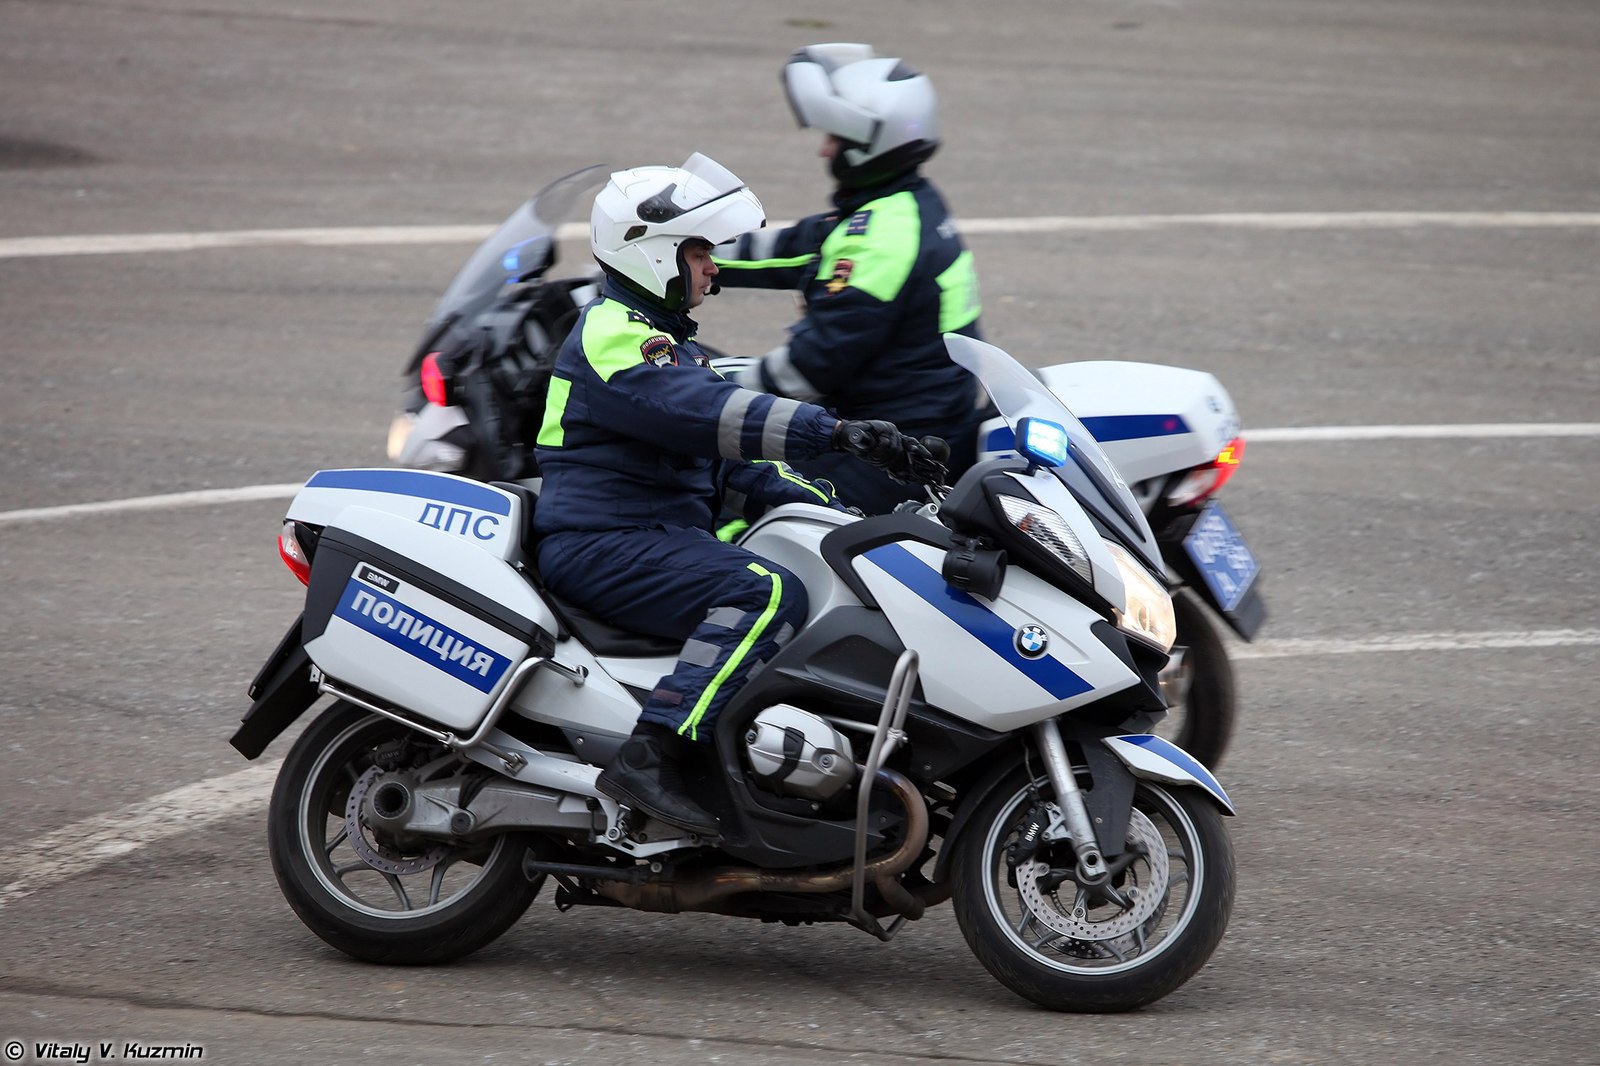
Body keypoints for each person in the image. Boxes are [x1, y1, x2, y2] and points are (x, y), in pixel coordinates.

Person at [533, 154, 937, 838]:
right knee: (768, 591)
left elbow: (736, 463)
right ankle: (654, 752)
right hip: (602, 541)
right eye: (700, 253)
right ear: (652, 252)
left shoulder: (669, 345)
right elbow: (709, 413)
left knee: (815, 572)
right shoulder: (615, 336)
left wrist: (853, 518)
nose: (713, 268)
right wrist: (835, 430)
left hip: (653, 535)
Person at [713, 43, 984, 514]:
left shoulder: (881, 240)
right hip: (912, 424)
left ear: (867, 146)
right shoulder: (904, 205)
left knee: (731, 494)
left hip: (891, 451)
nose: (824, 148)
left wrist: (705, 396)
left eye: (834, 138)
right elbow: (790, 249)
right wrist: (670, 253)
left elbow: (807, 368)